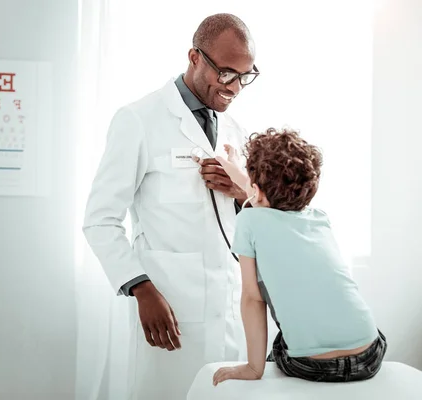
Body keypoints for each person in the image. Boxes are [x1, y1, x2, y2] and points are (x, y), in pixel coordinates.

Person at [82, 13, 260, 400]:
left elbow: (246, 220)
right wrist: (140, 288)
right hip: (170, 309)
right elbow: (100, 220)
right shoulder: (139, 120)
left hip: (230, 309)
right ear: (195, 58)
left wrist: (241, 191)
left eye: (245, 76)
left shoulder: (234, 130)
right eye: (226, 73)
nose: (235, 87)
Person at [211, 128, 387, 386]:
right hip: (369, 353)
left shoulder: (249, 220)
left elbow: (252, 298)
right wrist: (233, 165)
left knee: (269, 306)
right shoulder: (319, 218)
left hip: (311, 364)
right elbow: (261, 193)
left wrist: (253, 367)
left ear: (256, 190)